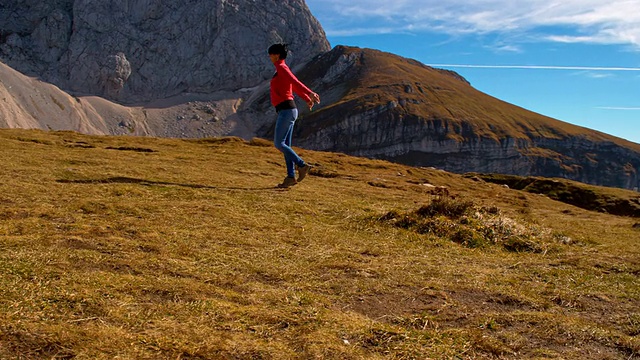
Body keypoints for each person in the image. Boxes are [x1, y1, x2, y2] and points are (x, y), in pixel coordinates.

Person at [268, 43, 321, 188]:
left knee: (279, 144)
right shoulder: (282, 69)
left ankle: (302, 165)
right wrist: (306, 98)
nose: (269, 56)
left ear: (277, 55)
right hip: (289, 110)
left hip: (286, 110)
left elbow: (294, 81)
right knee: (287, 146)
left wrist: (310, 93)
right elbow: (293, 87)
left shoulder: (281, 67)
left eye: (271, 54)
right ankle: (290, 177)